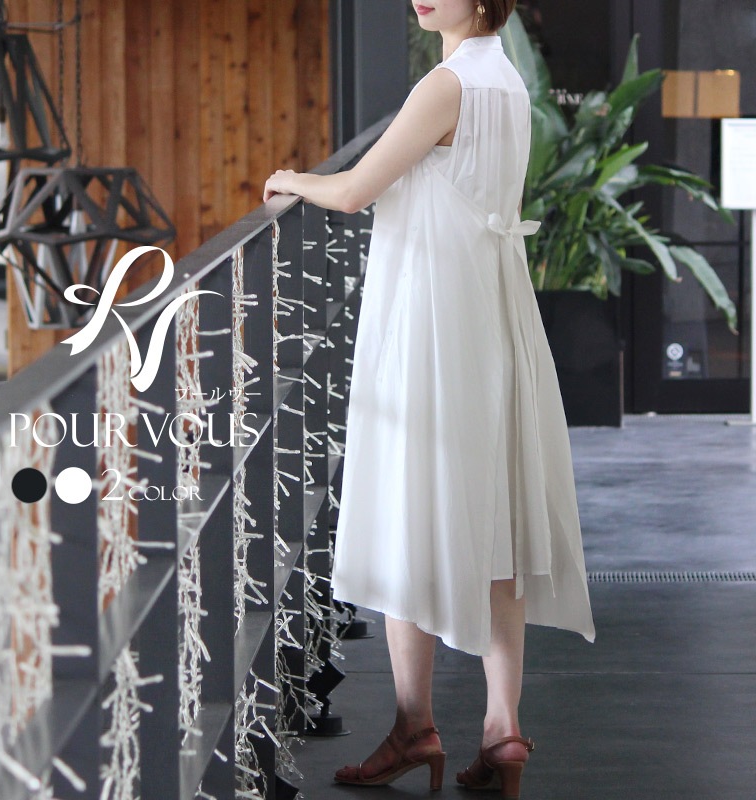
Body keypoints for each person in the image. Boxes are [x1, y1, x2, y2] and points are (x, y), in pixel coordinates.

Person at [264, 1, 596, 796]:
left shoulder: (446, 85)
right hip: (491, 317)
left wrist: (292, 179)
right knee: (496, 514)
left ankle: (415, 725)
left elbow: (354, 192)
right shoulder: (506, 80)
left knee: (408, 505)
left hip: (430, 325)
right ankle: (502, 728)